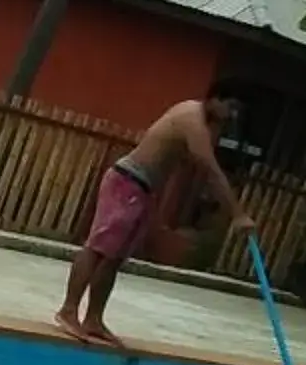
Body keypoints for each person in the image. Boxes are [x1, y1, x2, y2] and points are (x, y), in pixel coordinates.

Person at [55, 88, 253, 346]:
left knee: (115, 258)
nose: (231, 116)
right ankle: (68, 311)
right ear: (215, 99)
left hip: (144, 190)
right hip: (127, 183)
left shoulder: (204, 124)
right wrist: (238, 215)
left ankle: (93, 319)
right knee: (98, 248)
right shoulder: (191, 118)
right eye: (230, 107)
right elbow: (211, 171)